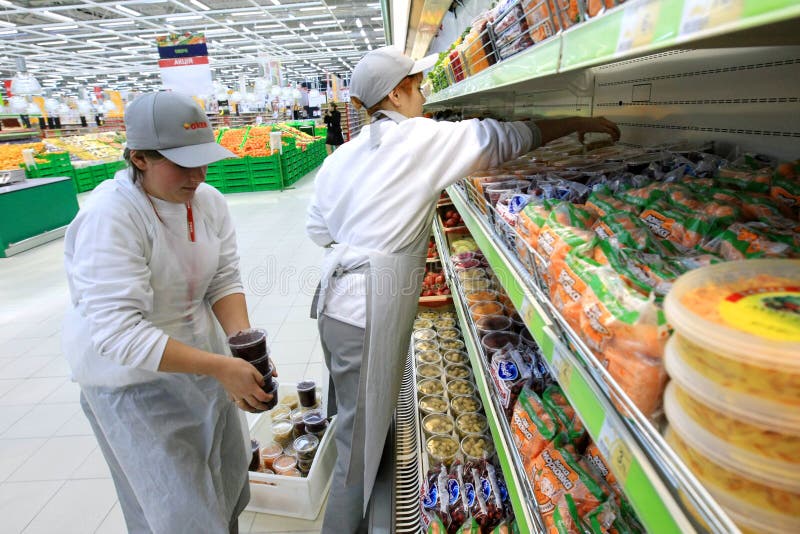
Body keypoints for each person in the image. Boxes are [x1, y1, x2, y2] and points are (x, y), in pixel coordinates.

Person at [306, 47, 620, 533]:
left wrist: (368, 227)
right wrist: (577, 120)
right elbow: (505, 139)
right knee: (357, 450)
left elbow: (317, 230)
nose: (424, 96)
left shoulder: (345, 155)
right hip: (369, 313)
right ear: (396, 92)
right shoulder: (419, 139)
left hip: (336, 307)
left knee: (357, 423)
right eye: (419, 85)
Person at [63, 91, 275, 533]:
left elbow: (223, 278)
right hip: (134, 385)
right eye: (182, 163)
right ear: (139, 158)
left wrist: (240, 349)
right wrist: (219, 367)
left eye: (204, 160)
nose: (198, 174)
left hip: (201, 362)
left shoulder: (208, 201)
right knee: (178, 510)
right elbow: (119, 334)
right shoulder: (113, 216)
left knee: (223, 482)